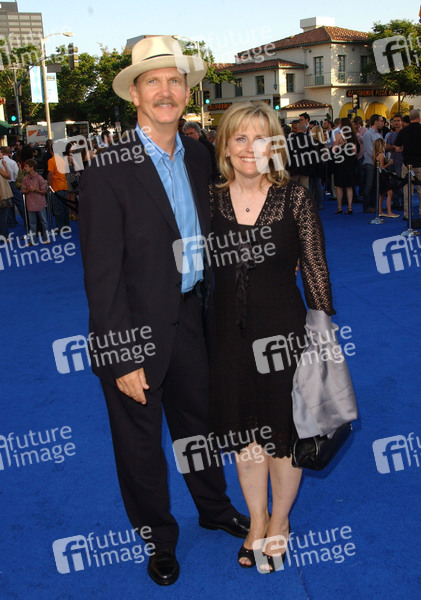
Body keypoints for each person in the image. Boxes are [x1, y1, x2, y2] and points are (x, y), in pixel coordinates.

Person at [78, 35, 248, 588]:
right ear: (135, 94)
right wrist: (122, 355)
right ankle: (159, 539)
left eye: (175, 80)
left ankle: (214, 509)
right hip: (134, 333)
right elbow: (101, 275)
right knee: (140, 447)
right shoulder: (107, 168)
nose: (166, 91)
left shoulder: (198, 154)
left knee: (200, 429)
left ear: (186, 92)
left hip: (194, 318)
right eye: (153, 81)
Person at [209, 101, 334, 571]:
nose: (250, 148)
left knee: (283, 433)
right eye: (240, 137)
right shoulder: (209, 199)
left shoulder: (294, 196)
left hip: (283, 336)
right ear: (225, 146)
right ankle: (256, 520)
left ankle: (280, 520)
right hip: (227, 337)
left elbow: (315, 266)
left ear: (275, 146)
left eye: (261, 138)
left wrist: (323, 333)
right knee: (246, 436)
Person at [394, 108, 421, 220]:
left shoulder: (403, 131)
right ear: (419, 118)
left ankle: (407, 213)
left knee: (407, 192)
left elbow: (397, 148)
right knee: (420, 191)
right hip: (420, 164)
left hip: (407, 164)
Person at [333, 117, 358, 214]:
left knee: (339, 186)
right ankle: (350, 207)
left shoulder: (338, 135)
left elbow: (334, 149)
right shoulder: (353, 136)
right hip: (349, 161)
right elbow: (355, 151)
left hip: (340, 162)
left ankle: (339, 207)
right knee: (349, 186)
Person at [21, 159, 50, 242]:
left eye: (26, 166)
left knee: (44, 222)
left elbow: (44, 191)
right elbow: (23, 190)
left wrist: (36, 190)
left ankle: (46, 238)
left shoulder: (39, 178)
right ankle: (32, 240)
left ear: (32, 167)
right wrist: (29, 190)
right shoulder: (25, 179)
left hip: (40, 203)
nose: (24, 168)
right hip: (30, 203)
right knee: (32, 223)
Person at [362, 114, 384, 213]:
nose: (382, 123)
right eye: (381, 121)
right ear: (376, 122)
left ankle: (375, 205)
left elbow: (382, 148)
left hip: (378, 163)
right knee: (368, 185)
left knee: (375, 185)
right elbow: (369, 150)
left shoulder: (379, 134)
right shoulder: (368, 134)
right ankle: (367, 206)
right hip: (370, 163)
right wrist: (378, 157)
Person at [372, 139, 399, 218]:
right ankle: (389, 212)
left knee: (381, 194)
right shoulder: (381, 155)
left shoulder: (376, 154)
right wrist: (390, 163)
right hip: (383, 176)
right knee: (389, 192)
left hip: (380, 176)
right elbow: (381, 167)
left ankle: (380, 211)